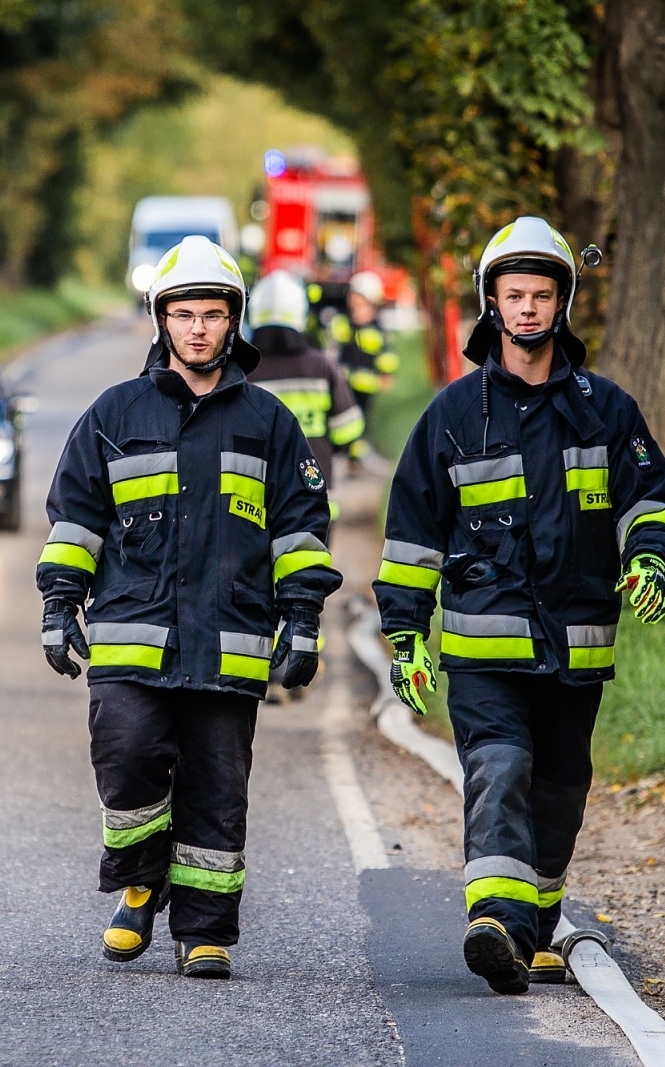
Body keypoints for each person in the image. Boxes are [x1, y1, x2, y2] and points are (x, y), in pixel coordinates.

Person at [373, 216, 665, 995]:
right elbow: (413, 535)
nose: (527, 309)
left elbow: (649, 500)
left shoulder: (606, 410)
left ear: (562, 302)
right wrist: (407, 636)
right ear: (492, 303)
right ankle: (495, 922)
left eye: (541, 294)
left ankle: (531, 925)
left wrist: (649, 556)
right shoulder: (451, 415)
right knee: (500, 765)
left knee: (560, 787)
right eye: (513, 295)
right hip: (483, 649)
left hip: (577, 646)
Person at [37, 236, 343, 980]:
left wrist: (302, 621)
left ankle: (204, 930)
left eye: (212, 314)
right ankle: (142, 879)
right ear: (161, 320)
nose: (198, 328)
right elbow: (76, 518)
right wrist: (57, 603)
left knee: (215, 787)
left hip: (230, 641)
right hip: (129, 640)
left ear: (233, 322)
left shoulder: (270, 424)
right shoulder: (114, 412)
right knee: (127, 756)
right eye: (184, 314)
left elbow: (301, 529)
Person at [243, 269, 365, 699]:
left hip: (252, 502)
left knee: (257, 582)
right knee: (304, 583)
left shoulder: (244, 369)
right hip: (316, 503)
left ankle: (265, 669)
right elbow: (350, 428)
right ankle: (302, 659)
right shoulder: (321, 366)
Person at [329, 270, 398, 461]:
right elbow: (334, 349)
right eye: (353, 296)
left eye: (358, 297)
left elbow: (386, 356)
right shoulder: (344, 323)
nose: (353, 301)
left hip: (366, 385)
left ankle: (356, 458)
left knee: (361, 421)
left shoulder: (377, 328)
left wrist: (386, 374)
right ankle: (347, 454)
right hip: (344, 383)